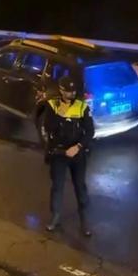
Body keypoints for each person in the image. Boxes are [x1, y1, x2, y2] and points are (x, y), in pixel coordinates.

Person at [38, 74, 95, 236]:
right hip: (59, 153)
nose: (71, 94)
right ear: (61, 91)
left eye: (73, 91)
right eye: (68, 92)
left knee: (80, 186)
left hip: (77, 153)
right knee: (57, 186)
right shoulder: (52, 105)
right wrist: (61, 113)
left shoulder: (82, 107)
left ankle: (84, 220)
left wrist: (78, 147)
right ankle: (55, 217)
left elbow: (90, 131)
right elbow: (48, 127)